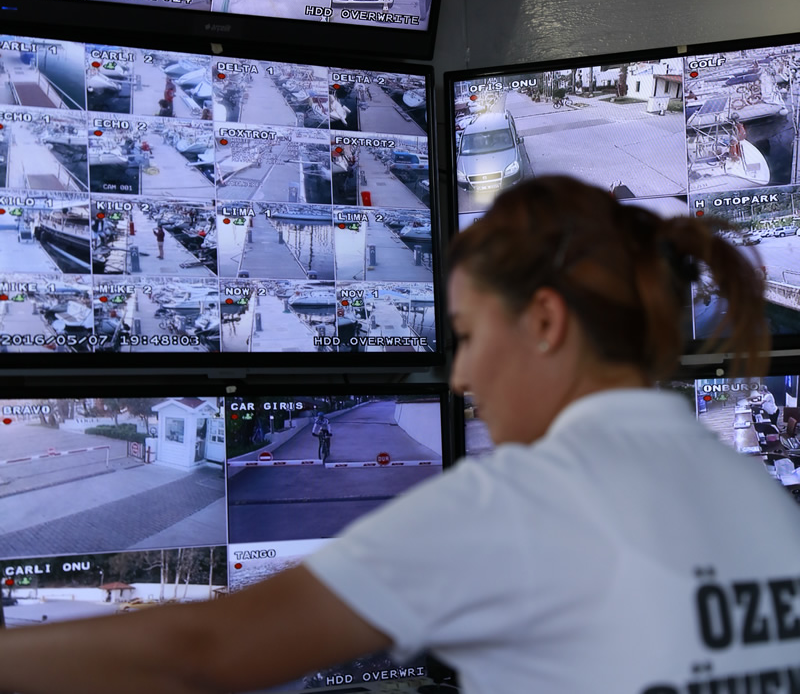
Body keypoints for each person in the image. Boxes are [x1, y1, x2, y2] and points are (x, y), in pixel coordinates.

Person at [3, 176, 800, 694]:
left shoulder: (517, 503)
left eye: (469, 337)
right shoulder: (760, 498)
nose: (460, 378)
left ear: (545, 321)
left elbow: (205, 651)